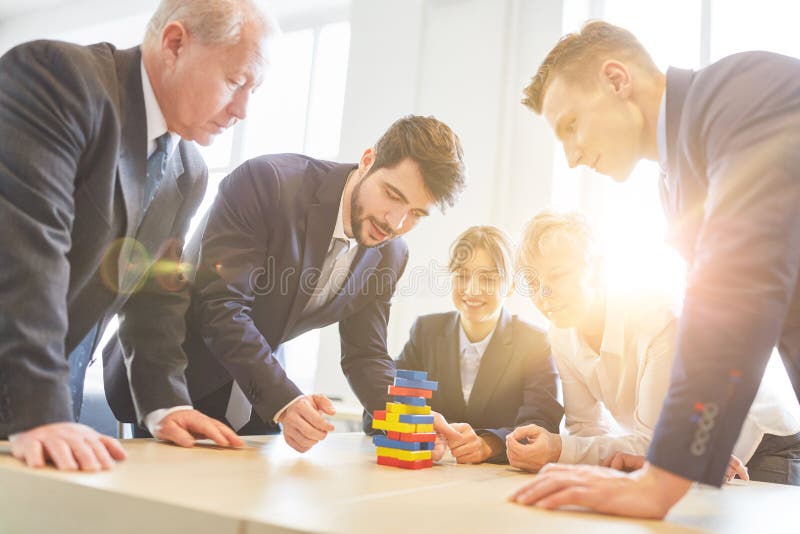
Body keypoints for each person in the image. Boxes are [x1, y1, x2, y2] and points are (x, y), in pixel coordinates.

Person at [511, 20, 800, 518]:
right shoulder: (674, 186)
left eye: (571, 126)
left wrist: (660, 480)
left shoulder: (742, 94)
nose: (573, 156)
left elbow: (735, 294)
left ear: (617, 79)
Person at [0, 0, 276, 471]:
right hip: (31, 385)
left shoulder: (188, 171)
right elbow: (25, 248)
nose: (243, 110)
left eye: (253, 90)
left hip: (50, 385)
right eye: (235, 81)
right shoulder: (60, 79)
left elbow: (156, 295)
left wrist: (166, 402)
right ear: (174, 44)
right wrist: (38, 409)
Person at [107, 115, 467, 453]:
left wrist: (408, 416)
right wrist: (284, 400)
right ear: (368, 160)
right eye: (392, 194)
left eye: (417, 214)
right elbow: (222, 307)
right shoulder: (268, 183)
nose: (395, 222)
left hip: (255, 407)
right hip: (173, 384)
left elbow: (365, 354)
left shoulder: (390, 255)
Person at [508, 211, 800, 483]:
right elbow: (585, 430)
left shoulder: (657, 317)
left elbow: (651, 442)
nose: (544, 294)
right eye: (533, 284)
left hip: (764, 444)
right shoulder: (561, 333)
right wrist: (566, 448)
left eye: (557, 276)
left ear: (597, 271)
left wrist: (559, 448)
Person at [395, 226, 563, 464]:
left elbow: (542, 423)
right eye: (462, 276)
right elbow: (388, 404)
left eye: (488, 278)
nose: (472, 290)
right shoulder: (426, 332)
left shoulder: (534, 342)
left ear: (512, 285)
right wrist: (418, 430)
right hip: (430, 471)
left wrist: (491, 444)